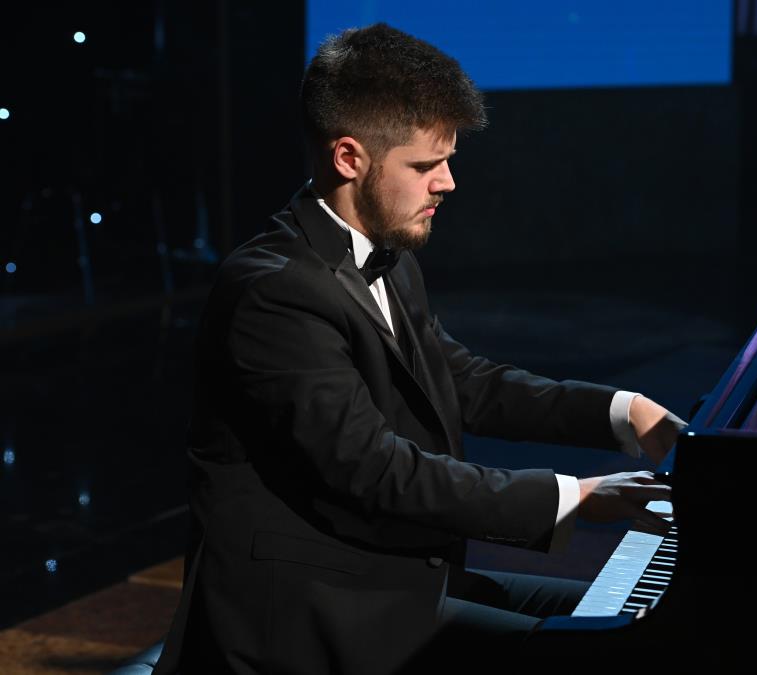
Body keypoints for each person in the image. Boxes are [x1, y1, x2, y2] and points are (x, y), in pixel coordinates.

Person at [153, 23, 685, 675]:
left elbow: (463, 382)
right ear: (349, 158)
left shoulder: (389, 253)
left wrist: (624, 412)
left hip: (391, 576)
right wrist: (571, 497)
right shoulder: (273, 291)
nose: (448, 183)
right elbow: (373, 470)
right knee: (614, 656)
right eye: (425, 165)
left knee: (643, 624)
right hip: (306, 613)